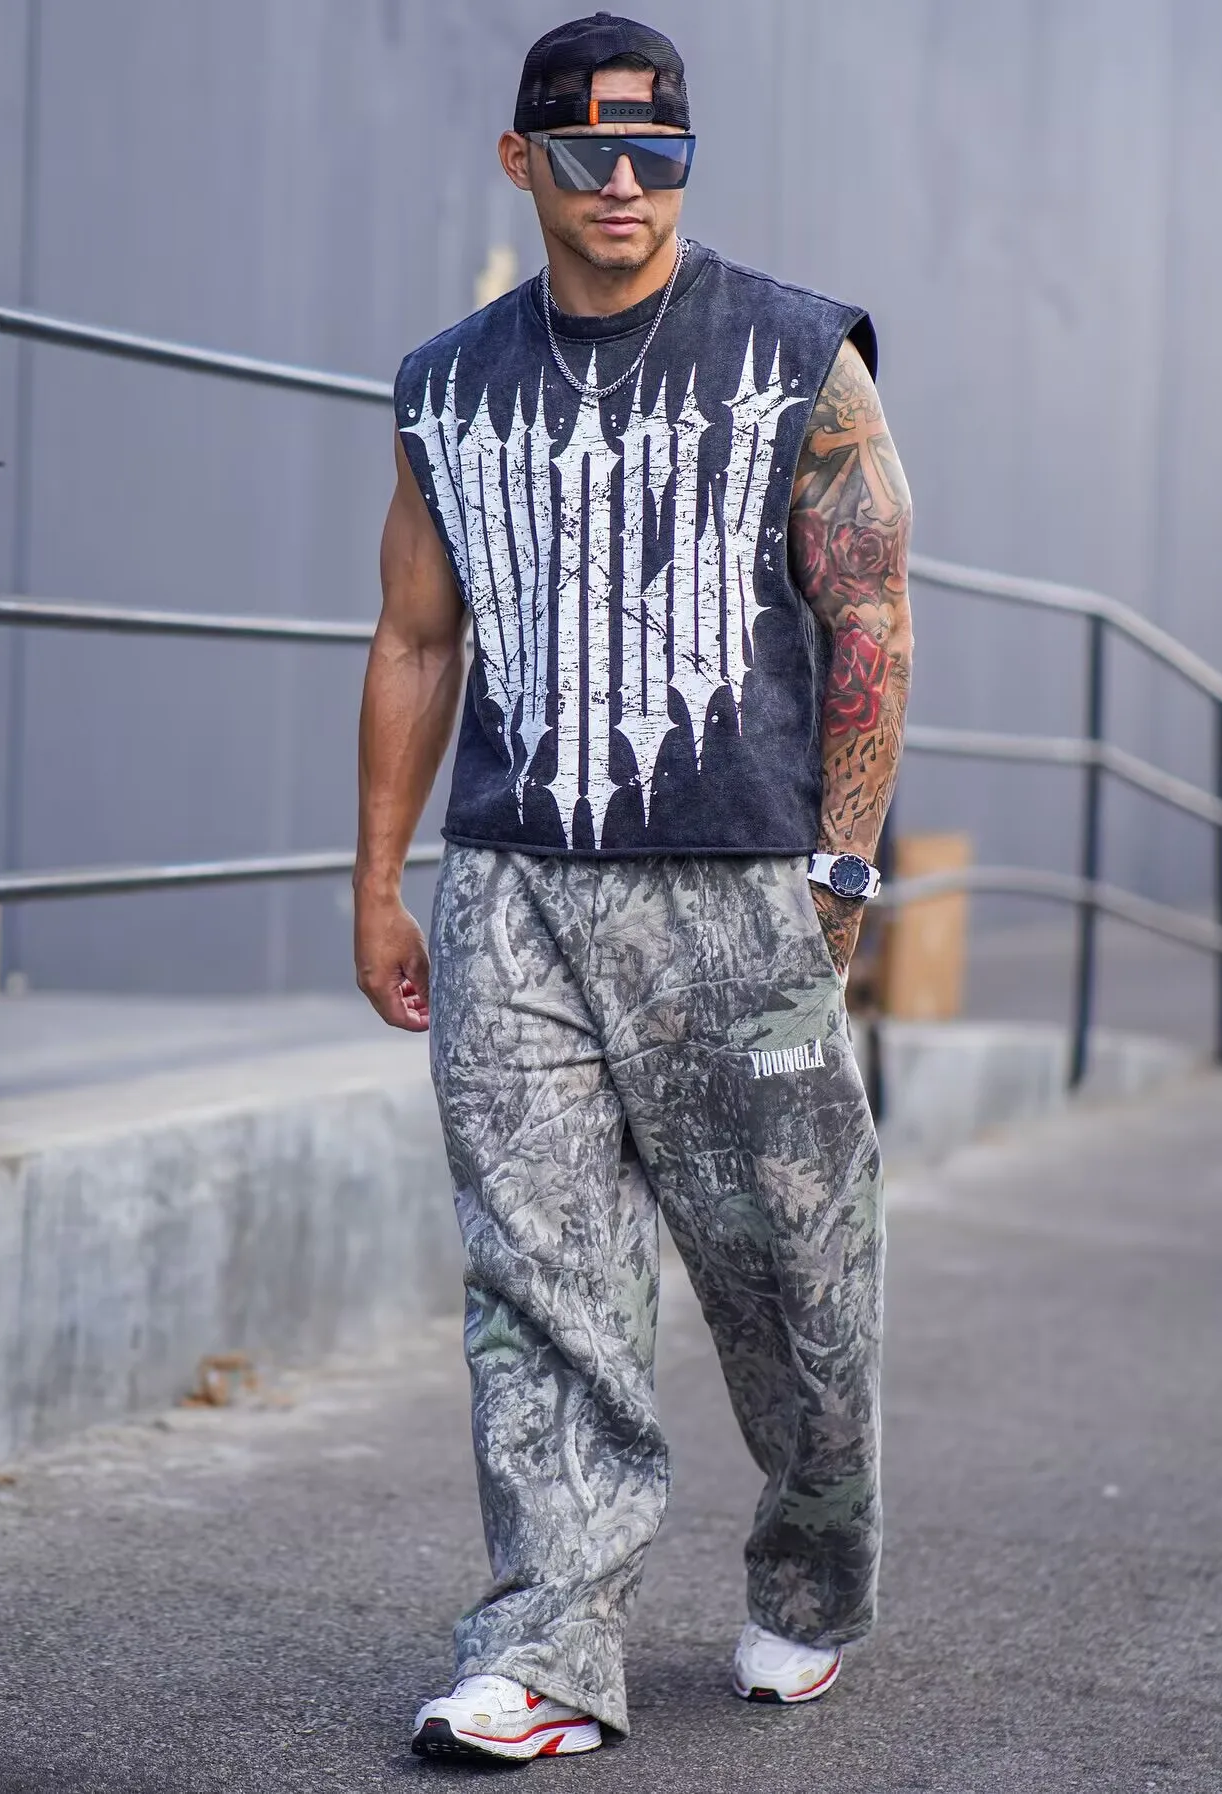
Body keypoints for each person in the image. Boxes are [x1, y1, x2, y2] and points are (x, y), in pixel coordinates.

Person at [354, 10, 912, 1763]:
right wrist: (381, 880)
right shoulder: (448, 384)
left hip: (737, 885)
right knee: (540, 1284)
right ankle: (548, 1643)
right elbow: (416, 635)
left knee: (798, 1285)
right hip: (513, 885)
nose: (624, 182)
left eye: (656, 148)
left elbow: (870, 613)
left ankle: (812, 1573)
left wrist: (842, 869)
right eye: (587, 149)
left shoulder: (799, 353)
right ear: (519, 160)